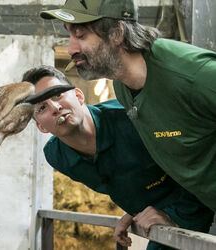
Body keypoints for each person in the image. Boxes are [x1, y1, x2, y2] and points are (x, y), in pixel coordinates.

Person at [39, 0, 216, 213]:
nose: (71, 49)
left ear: (116, 33)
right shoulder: (123, 87)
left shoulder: (192, 75)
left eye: (81, 35)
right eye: (70, 36)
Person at [22, 65, 214, 249]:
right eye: (42, 108)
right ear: (41, 127)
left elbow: (200, 162)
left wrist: (174, 218)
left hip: (195, 203)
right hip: (155, 217)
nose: (55, 107)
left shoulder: (133, 118)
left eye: (57, 94)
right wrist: (135, 209)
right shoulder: (57, 157)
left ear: (79, 96)